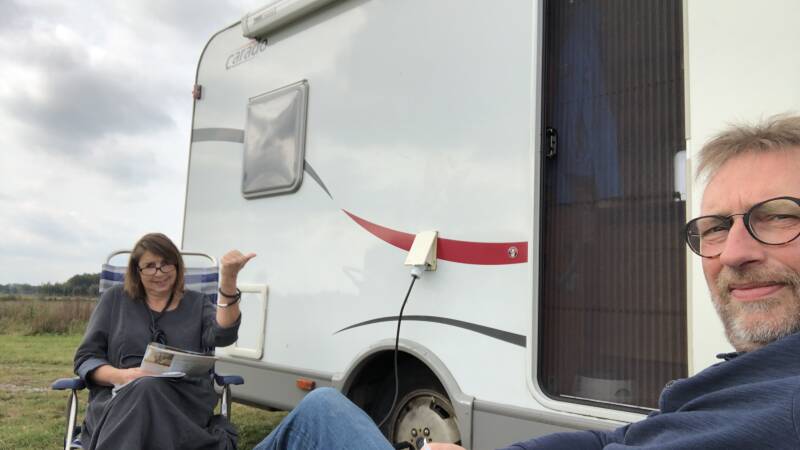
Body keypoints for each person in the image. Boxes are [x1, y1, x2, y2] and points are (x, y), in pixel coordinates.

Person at [253, 114, 800, 450]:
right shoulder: (755, 377)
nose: (734, 252)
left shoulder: (782, 404)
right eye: (715, 227)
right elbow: (617, 438)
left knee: (322, 413)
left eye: (778, 216)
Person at [74, 233, 256, 450]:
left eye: (166, 264)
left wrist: (228, 280)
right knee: (145, 388)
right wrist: (123, 376)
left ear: (177, 266)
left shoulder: (197, 303)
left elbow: (224, 335)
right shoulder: (115, 299)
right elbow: (86, 358)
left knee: (147, 388)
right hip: (120, 400)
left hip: (183, 403)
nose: (159, 273)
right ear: (137, 270)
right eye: (150, 266)